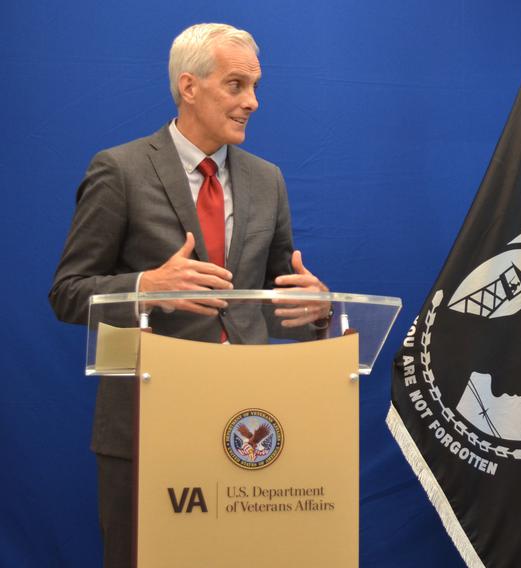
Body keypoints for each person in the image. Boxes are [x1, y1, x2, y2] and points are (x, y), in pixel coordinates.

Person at [48, 23, 328, 567]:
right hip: (148, 425)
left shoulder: (267, 180)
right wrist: (145, 288)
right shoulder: (120, 170)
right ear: (189, 86)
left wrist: (312, 306)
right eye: (236, 85)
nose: (252, 102)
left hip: (249, 425)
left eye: (255, 86)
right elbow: (68, 293)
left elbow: (273, 292)